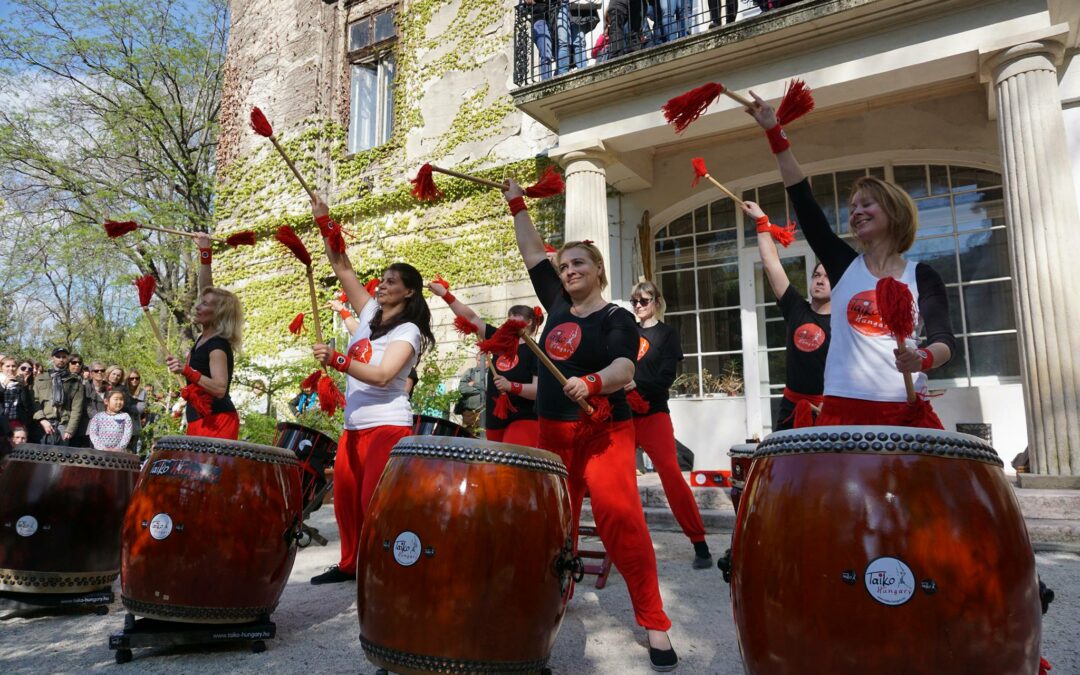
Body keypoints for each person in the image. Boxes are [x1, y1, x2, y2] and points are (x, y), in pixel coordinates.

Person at [502, 179, 678, 671]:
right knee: (550, 525)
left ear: (598, 270)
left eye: (578, 263)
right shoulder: (556, 302)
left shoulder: (617, 317)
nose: (569, 270)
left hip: (605, 433)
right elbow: (531, 248)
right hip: (552, 435)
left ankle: (654, 620)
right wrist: (517, 201)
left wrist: (594, 381)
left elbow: (625, 370)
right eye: (564, 265)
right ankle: (553, 597)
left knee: (620, 518)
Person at [746, 91, 955, 428]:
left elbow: (945, 342)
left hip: (904, 405)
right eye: (853, 207)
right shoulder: (843, 266)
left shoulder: (923, 276)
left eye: (867, 204)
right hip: (844, 406)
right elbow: (803, 199)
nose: (856, 211)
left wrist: (922, 358)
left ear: (894, 211)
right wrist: (775, 133)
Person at [308, 194, 435, 585]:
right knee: (346, 503)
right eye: (382, 279)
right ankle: (351, 565)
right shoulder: (367, 314)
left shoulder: (408, 330)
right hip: (354, 426)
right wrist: (324, 222)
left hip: (386, 426)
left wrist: (338, 361)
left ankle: (382, 569)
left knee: (373, 502)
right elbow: (341, 265)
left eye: (392, 282)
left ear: (409, 292)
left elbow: (382, 375)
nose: (382, 285)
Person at [627, 281, 714, 569]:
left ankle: (699, 542)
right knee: (616, 479)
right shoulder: (626, 332)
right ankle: (627, 544)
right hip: (623, 415)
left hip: (653, 414)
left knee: (672, 475)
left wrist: (634, 382)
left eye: (644, 300)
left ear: (657, 301)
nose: (639, 305)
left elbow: (665, 380)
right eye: (635, 301)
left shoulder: (666, 335)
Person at [747, 200, 832, 430]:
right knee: (785, 465)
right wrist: (762, 222)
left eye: (827, 276)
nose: (820, 279)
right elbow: (771, 264)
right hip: (791, 407)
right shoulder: (796, 307)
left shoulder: (843, 322)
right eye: (816, 275)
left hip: (828, 409)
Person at [428, 282, 542, 446]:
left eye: (514, 318)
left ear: (529, 322)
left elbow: (537, 391)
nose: (508, 322)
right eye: (508, 318)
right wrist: (446, 295)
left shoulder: (537, 352)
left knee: (511, 465)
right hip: (495, 417)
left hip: (523, 417)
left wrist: (511, 386)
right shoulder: (499, 341)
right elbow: (472, 318)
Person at [166, 232, 243, 439]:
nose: (198, 307)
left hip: (217, 422)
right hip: (198, 420)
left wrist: (186, 370)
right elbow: (206, 289)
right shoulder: (204, 337)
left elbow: (219, 388)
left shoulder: (217, 346)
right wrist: (205, 252)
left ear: (218, 313)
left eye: (205, 305)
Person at [32, 347, 86, 446]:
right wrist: (42, 420)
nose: (61, 359)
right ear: (52, 358)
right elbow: (34, 401)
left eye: (64, 357)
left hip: (63, 424)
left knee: (61, 457)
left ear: (67, 359)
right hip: (44, 423)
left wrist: (70, 430)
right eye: (58, 356)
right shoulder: (40, 378)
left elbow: (76, 409)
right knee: (43, 456)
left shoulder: (74, 381)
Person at [1, 356, 35, 436]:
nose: (11, 368)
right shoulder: (1, 381)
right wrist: (4, 385)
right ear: (1, 368)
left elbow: (27, 405)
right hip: (2, 420)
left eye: (13, 366)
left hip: (16, 421)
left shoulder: (19, 383)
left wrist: (24, 386)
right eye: (7, 366)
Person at [456, 355, 487, 433]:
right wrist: (482, 389)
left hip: (486, 413)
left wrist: (474, 384)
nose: (482, 363)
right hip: (469, 414)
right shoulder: (470, 372)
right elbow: (462, 389)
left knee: (485, 440)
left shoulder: (492, 373)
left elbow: (490, 388)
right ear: (476, 360)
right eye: (479, 360)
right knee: (469, 439)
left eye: (485, 360)